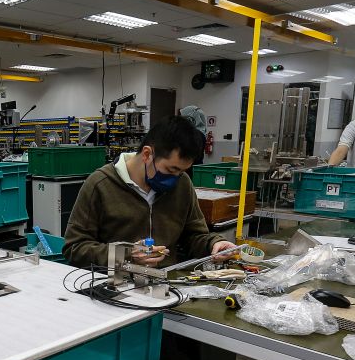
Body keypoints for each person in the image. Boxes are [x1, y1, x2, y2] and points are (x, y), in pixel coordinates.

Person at [63, 115, 236, 269]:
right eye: (170, 169)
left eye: (181, 172)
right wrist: (126, 254)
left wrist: (214, 243)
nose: (175, 178)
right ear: (147, 154)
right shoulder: (100, 184)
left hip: (167, 286)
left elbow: (194, 235)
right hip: (113, 287)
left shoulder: (182, 184)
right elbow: (75, 248)